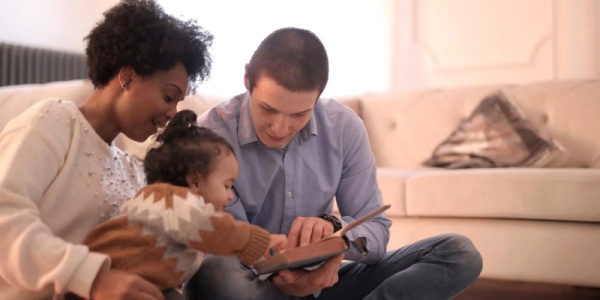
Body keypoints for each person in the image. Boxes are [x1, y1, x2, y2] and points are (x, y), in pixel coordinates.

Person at [184, 27, 484, 299]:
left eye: (299, 114)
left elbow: (376, 233)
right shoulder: (209, 134)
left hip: (323, 286)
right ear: (248, 78)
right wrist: (279, 279)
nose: (280, 128)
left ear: (319, 97)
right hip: (254, 286)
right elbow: (220, 243)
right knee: (215, 275)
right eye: (268, 108)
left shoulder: (343, 128)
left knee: (458, 253)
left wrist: (336, 236)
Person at [0, 0, 214, 299]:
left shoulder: (131, 169)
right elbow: (4, 218)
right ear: (126, 77)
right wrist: (94, 278)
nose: (172, 113)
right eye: (168, 96)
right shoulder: (55, 121)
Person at [64, 110, 287, 300]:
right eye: (227, 186)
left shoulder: (155, 200)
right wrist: (259, 240)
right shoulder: (174, 202)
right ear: (195, 180)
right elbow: (215, 229)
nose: (229, 197)